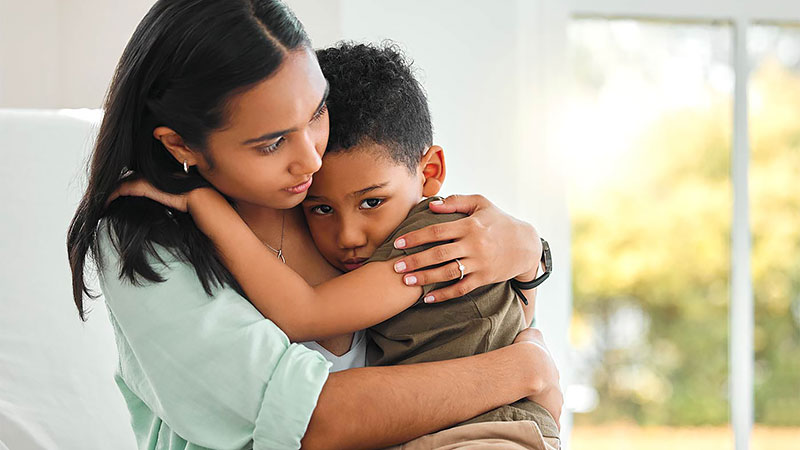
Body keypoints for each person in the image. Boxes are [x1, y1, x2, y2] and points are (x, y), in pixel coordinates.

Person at [68, 1, 562, 449]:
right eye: (270, 144)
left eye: (317, 112)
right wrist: (518, 372)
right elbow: (311, 420)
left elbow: (493, 321)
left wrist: (528, 254)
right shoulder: (145, 239)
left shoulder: (343, 196)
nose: (310, 159)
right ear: (181, 146)